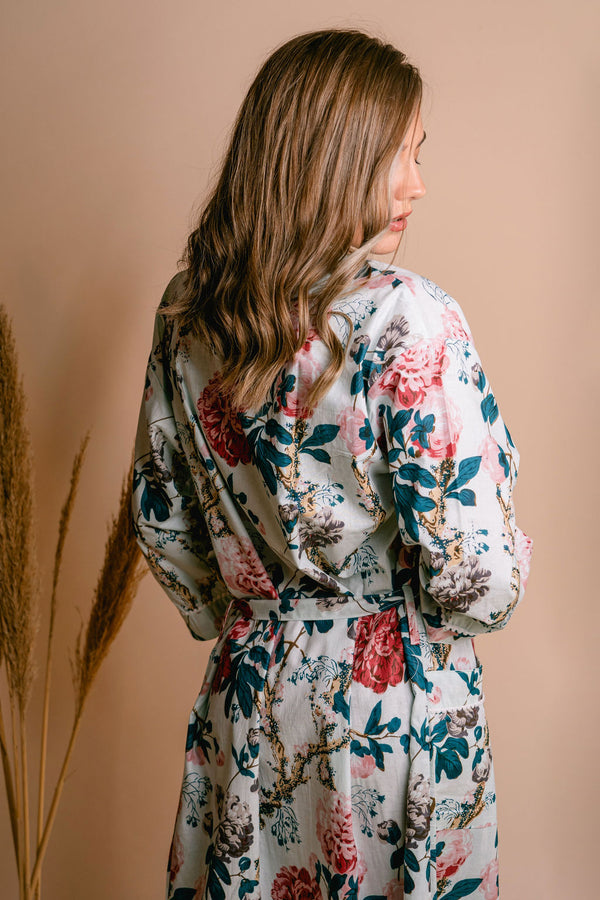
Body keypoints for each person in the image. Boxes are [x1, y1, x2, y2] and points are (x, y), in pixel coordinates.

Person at [131, 28, 533, 900]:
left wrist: (257, 613)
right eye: (396, 155)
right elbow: (482, 582)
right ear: (328, 155)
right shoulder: (409, 319)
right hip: (399, 721)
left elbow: (167, 530)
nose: (417, 184)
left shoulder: (185, 316)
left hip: (252, 705)